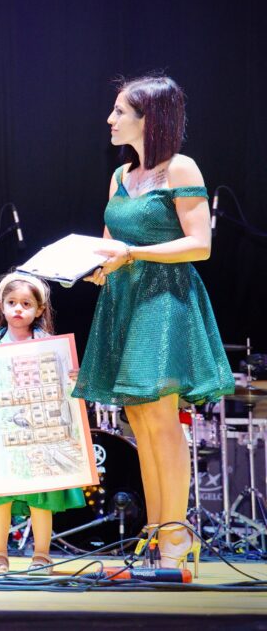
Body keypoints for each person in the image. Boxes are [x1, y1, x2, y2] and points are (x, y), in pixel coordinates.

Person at [72, 76, 233, 576]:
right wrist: (94, 267)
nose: (110, 119)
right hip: (123, 300)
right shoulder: (120, 176)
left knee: (162, 422)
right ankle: (155, 533)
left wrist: (132, 253)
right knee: (140, 423)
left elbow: (200, 244)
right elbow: (108, 244)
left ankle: (176, 536)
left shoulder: (181, 168)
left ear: (150, 118)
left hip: (164, 301)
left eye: (120, 111)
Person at [0, 272, 85, 574]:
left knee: (41, 497)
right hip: (3, 436)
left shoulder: (51, 346)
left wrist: (74, 379)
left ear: (39, 309)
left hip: (41, 435)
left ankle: (41, 555)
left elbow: (67, 389)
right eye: (12, 302)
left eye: (26, 304)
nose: (18, 309)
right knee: (0, 498)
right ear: (1, 306)